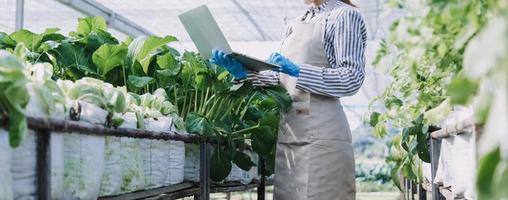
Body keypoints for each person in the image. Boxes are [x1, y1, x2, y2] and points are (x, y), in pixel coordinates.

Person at [210, 0, 367, 199]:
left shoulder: (343, 15)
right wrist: (243, 73)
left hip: (323, 139)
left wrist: (299, 71)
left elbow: (351, 78)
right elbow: (281, 79)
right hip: (290, 136)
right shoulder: (295, 24)